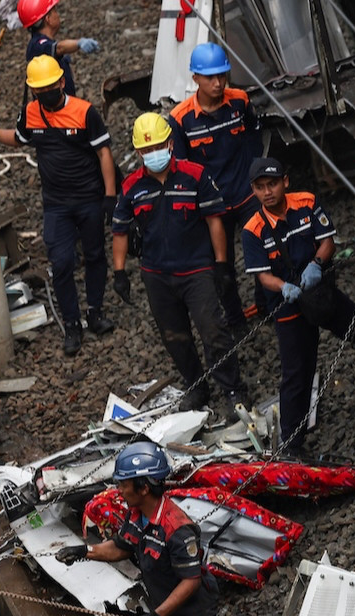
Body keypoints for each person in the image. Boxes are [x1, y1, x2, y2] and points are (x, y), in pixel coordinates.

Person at [55, 441, 218, 616]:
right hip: (169, 615)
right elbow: (121, 547)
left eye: (124, 484)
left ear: (144, 487)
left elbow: (190, 582)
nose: (119, 490)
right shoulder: (139, 515)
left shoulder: (177, 529)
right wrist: (84, 551)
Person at [110, 113, 249, 421]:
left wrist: (223, 266)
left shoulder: (195, 175)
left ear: (170, 144)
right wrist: (119, 273)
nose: (152, 154)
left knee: (213, 331)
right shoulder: (132, 187)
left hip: (197, 271)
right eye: (146, 150)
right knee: (175, 337)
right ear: (138, 153)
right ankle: (197, 386)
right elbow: (119, 231)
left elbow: (215, 222)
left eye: (158, 146)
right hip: (157, 276)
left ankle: (232, 389)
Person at [242, 157, 355, 453]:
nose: (268, 192)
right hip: (288, 304)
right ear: (254, 190)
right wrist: (283, 287)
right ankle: (293, 442)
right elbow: (263, 275)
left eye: (273, 184)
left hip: (318, 288)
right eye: (261, 187)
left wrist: (317, 264)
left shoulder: (306, 202)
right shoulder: (253, 230)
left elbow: (328, 241)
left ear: (285, 182)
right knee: (297, 374)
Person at [0, 55, 116, 356]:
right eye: (38, 90)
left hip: (89, 200)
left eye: (49, 86)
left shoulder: (85, 112)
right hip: (56, 205)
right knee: (61, 263)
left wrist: (110, 197)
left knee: (95, 254)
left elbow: (104, 154)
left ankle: (94, 311)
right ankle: (72, 323)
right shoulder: (31, 113)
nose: (45, 94)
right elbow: (18, 139)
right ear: (33, 91)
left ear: (61, 82)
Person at [168, 43, 264, 322]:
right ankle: (235, 318)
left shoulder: (240, 101)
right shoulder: (180, 119)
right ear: (195, 78)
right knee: (222, 267)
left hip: (245, 195)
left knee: (263, 250)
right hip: (213, 206)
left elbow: (254, 138)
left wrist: (254, 177)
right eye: (210, 77)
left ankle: (266, 304)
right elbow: (183, 169)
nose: (218, 82)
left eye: (222, 75)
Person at [18, 0, 99, 97]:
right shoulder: (38, 45)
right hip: (54, 109)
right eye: (54, 11)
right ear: (48, 19)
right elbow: (59, 48)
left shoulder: (38, 42)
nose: (57, 15)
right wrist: (79, 43)